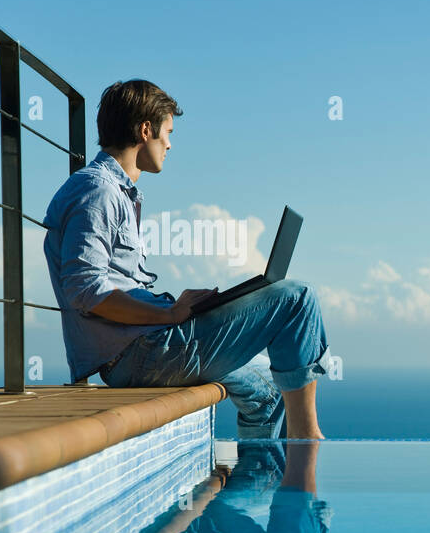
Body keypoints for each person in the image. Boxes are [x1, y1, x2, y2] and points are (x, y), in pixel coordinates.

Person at [42, 79, 329, 439]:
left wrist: (181, 310)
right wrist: (167, 314)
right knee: (297, 298)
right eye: (167, 133)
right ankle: (307, 444)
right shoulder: (97, 190)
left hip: (148, 346)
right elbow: (86, 290)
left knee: (266, 391)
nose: (169, 144)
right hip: (140, 354)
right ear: (146, 130)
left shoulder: (113, 191)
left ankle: (257, 489)